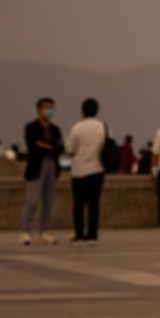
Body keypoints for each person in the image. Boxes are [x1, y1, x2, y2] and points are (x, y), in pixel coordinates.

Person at [19, 97, 62, 246]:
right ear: (39, 109)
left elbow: (58, 147)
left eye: (51, 107)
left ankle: (44, 231)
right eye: (46, 107)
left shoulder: (55, 130)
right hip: (36, 166)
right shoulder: (31, 127)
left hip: (52, 165)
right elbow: (33, 146)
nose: (48, 111)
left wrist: (44, 145)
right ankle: (25, 230)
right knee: (32, 200)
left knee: (48, 201)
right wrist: (47, 146)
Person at [65, 98, 107, 245]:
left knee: (78, 204)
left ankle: (79, 233)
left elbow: (69, 149)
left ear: (82, 110)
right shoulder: (102, 127)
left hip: (79, 170)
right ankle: (92, 233)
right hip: (97, 169)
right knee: (94, 204)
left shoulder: (77, 128)